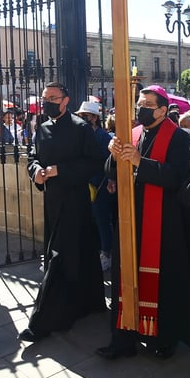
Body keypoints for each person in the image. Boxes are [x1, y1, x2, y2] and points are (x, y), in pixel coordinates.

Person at [99, 84, 190, 360]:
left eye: (147, 106)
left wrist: (139, 161)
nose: (140, 109)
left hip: (165, 221)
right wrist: (113, 154)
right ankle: (123, 338)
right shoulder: (133, 133)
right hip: (131, 217)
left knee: (163, 281)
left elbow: (177, 178)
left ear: (162, 110)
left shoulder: (178, 137)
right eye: (139, 104)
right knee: (126, 275)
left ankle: (163, 337)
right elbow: (111, 172)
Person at [20, 83, 108, 342]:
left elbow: (95, 162)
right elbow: (33, 156)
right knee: (78, 252)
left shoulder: (81, 128)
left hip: (75, 202)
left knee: (60, 257)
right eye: (45, 97)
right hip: (52, 200)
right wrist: (36, 172)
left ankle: (44, 320)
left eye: (52, 97)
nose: (47, 102)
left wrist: (61, 170)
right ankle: (89, 303)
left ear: (65, 100)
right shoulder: (42, 127)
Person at [76, 100, 115, 272]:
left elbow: (110, 163)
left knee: (102, 220)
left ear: (94, 118)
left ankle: (107, 253)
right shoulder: (81, 135)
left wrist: (110, 180)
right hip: (85, 183)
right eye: (80, 115)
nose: (82, 118)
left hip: (100, 185)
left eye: (85, 115)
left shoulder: (104, 137)